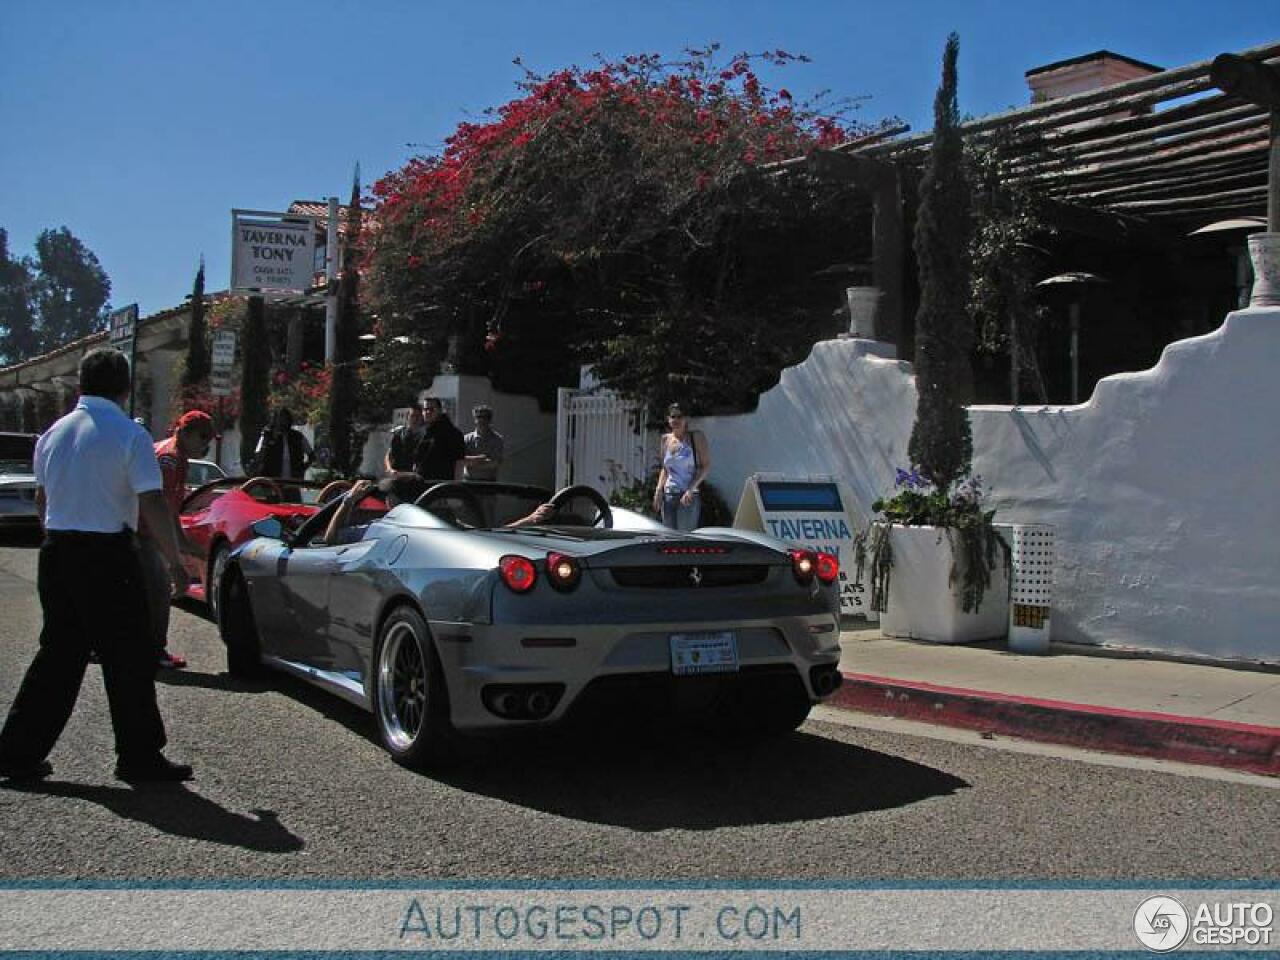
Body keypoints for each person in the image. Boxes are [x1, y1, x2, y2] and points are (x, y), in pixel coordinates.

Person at [0, 347, 193, 785]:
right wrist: (175, 562)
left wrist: (57, 535)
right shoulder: (129, 435)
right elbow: (152, 500)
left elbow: (42, 500)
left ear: (81, 384)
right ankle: (138, 756)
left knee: (59, 653)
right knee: (128, 654)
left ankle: (16, 752)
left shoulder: (52, 434)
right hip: (107, 552)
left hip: (57, 549)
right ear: (125, 388)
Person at [138, 410, 215, 670]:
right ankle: (153, 651)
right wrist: (175, 559)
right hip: (144, 533)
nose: (205, 443)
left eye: (209, 438)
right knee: (159, 592)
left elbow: (171, 511)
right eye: (201, 436)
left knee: (144, 594)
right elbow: (158, 507)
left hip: (142, 531)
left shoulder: (175, 456)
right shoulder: (169, 460)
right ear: (183, 431)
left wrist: (186, 545)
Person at [652, 403, 711, 531]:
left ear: (686, 419)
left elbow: (705, 466)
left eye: (680, 416)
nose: (676, 420)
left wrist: (691, 488)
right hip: (669, 495)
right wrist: (658, 490)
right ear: (668, 419)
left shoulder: (695, 437)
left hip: (688, 495)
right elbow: (665, 468)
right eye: (673, 416)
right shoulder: (665, 440)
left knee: (684, 538)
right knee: (669, 538)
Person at [413, 396, 465, 484]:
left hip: (441, 487)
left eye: (432, 409)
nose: (428, 412)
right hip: (421, 485)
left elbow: (459, 462)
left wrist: (455, 487)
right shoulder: (422, 432)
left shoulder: (452, 433)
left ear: (440, 410)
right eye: (425, 409)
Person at [251, 407, 312, 480]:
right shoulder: (267, 435)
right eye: (280, 419)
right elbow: (258, 455)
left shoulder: (298, 437)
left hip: (293, 482)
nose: (282, 421)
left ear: (289, 420)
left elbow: (311, 456)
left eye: (285, 418)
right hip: (272, 482)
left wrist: (302, 469)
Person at [462, 404, 504, 481]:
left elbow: (494, 463)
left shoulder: (497, 439)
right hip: (469, 482)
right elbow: (462, 460)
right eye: (479, 417)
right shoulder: (466, 439)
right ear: (475, 419)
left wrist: (472, 462)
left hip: (488, 483)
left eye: (486, 417)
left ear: (490, 420)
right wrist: (480, 458)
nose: (482, 420)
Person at [384, 404, 426, 474]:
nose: (415, 419)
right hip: (397, 473)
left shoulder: (425, 435)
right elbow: (389, 455)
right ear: (408, 417)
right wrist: (390, 469)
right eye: (412, 416)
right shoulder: (399, 433)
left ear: (422, 418)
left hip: (414, 475)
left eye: (418, 416)